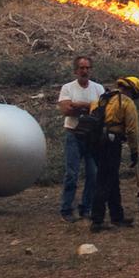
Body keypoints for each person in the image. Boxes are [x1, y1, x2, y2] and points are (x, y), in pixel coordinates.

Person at [88, 75, 139, 232]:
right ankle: (97, 220)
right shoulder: (126, 102)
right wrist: (134, 151)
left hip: (95, 143)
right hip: (111, 144)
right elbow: (132, 130)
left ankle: (117, 216)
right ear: (132, 90)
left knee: (112, 179)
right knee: (105, 181)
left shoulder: (101, 99)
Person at [56, 55, 104, 223]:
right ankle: (66, 209)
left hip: (92, 137)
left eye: (87, 68)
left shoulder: (98, 89)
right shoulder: (67, 88)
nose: (85, 71)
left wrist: (78, 105)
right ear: (75, 70)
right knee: (72, 174)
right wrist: (90, 107)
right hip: (74, 134)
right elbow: (66, 110)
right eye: (82, 68)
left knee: (93, 174)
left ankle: (86, 208)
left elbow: (102, 112)